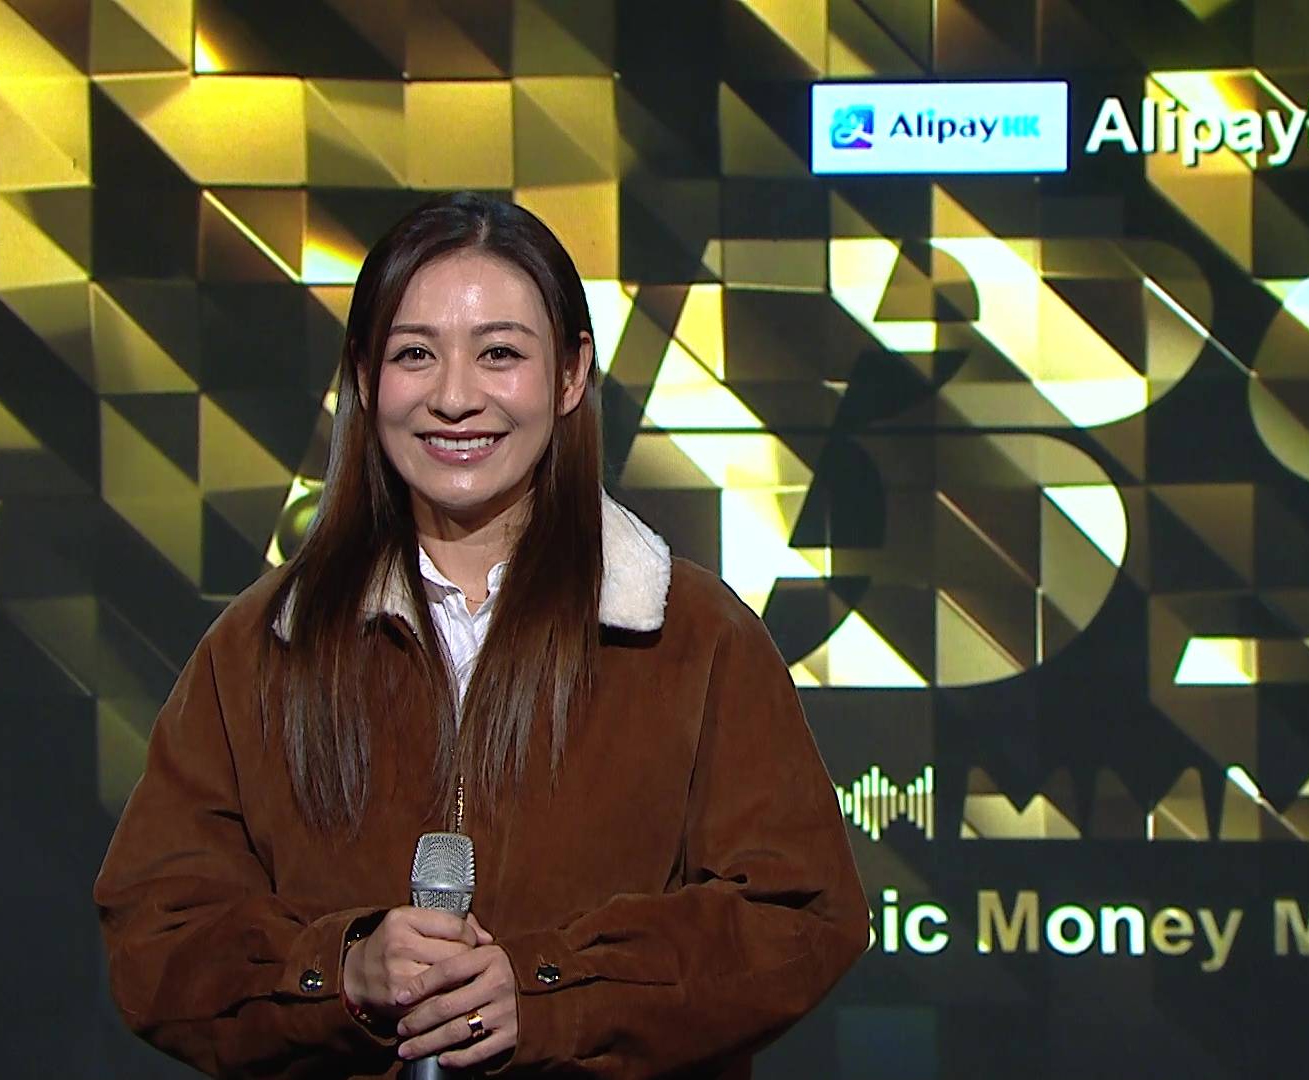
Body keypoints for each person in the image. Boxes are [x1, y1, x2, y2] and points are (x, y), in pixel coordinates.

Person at [93, 193, 871, 1078]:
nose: (455, 398)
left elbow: (797, 913)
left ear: (570, 375)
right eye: (414, 354)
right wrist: (341, 973)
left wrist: (548, 992)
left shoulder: (692, 637)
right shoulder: (264, 646)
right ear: (364, 378)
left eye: (500, 353)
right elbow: (157, 935)